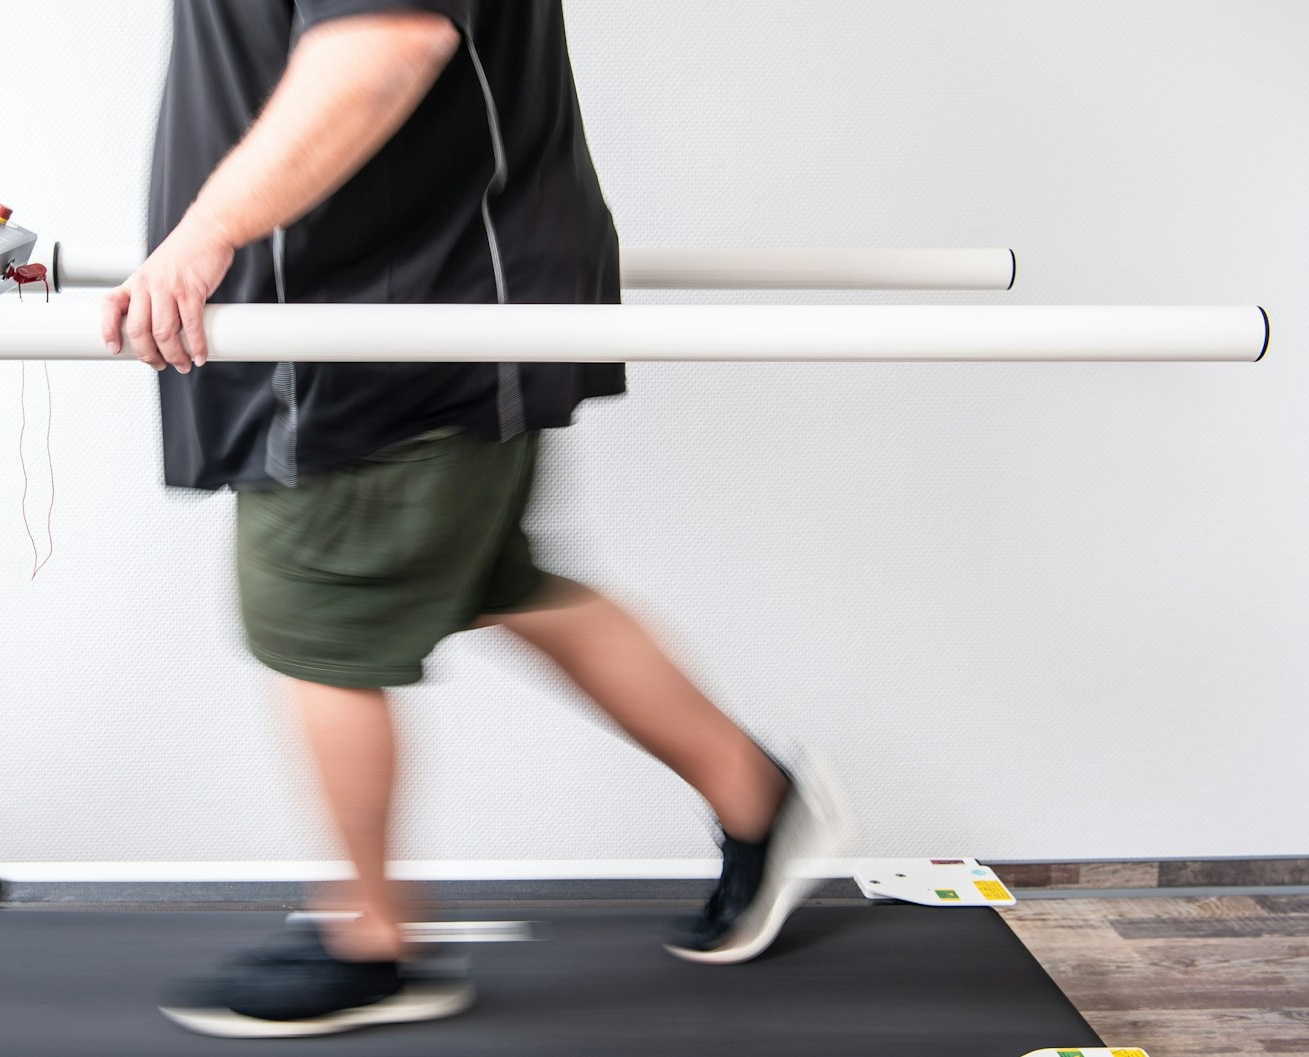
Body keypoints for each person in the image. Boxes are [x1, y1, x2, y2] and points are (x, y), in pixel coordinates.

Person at [96, 0, 850, 1039]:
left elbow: (386, 44)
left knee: (314, 617)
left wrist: (205, 230)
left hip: (393, 310)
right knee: (498, 578)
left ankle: (368, 940)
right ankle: (755, 794)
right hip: (402, 293)